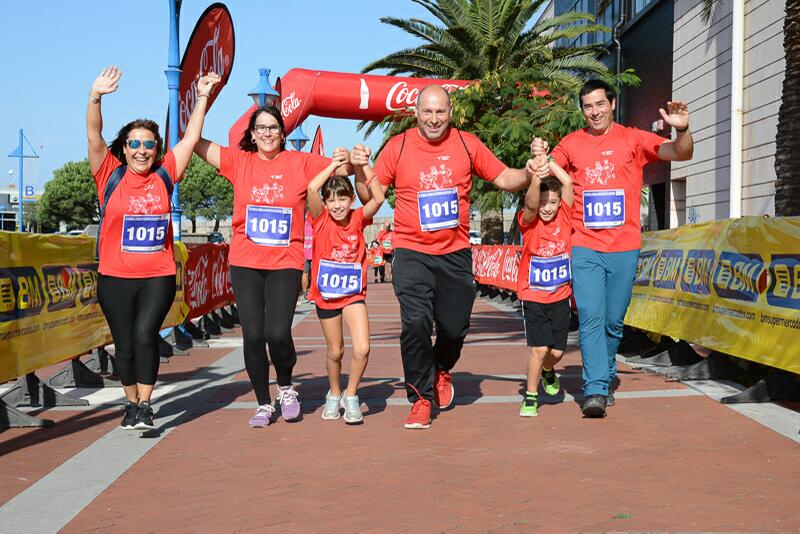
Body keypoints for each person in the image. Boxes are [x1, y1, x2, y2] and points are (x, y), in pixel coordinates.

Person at [353, 85, 533, 429]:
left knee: (454, 327)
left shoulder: (467, 144)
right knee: (416, 323)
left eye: (440, 112)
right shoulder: (399, 145)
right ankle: (420, 397)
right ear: (416, 113)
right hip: (412, 251)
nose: (433, 119)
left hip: (455, 254)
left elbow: (504, 177)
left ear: (450, 113)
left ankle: (441, 368)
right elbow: (369, 194)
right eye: (427, 112)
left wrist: (529, 173)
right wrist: (362, 171)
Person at [532, 79, 693, 418]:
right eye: (588, 106)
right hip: (585, 245)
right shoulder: (572, 143)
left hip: (624, 247)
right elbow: (547, 169)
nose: (594, 112)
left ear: (612, 103)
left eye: (599, 104)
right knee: (591, 316)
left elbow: (681, 153)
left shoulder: (633, 139)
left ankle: (604, 375)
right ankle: (594, 390)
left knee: (613, 322)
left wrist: (682, 131)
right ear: (582, 110)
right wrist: (539, 160)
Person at [194, 106, 355, 428]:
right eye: (260, 128)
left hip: (285, 262)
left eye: (273, 128)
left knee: (278, 333)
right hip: (245, 263)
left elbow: (345, 169)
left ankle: (285, 387)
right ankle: (263, 403)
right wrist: (202, 98)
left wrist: (346, 156)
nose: (267, 133)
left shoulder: (300, 162)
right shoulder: (239, 161)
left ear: (283, 133)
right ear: (251, 134)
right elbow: (194, 142)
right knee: (253, 336)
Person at [86, 66, 220, 430]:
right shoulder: (109, 175)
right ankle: (129, 402)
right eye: (135, 144)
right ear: (125, 149)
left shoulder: (165, 174)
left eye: (149, 144)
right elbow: (94, 134)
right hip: (114, 278)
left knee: (146, 335)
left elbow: (191, 137)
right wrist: (96, 96)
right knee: (124, 343)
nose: (142, 150)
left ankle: (145, 403)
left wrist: (204, 95)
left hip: (157, 277)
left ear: (157, 149)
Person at [306, 149, 385, 424]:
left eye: (342, 198)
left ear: (351, 200)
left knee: (362, 348)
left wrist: (365, 165)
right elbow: (311, 187)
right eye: (332, 199)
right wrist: (335, 165)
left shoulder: (358, 218)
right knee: (335, 351)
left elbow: (379, 197)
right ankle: (334, 393)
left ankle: (351, 395)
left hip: (352, 295)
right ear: (325, 203)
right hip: (326, 297)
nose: (337, 204)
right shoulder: (319, 220)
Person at [517, 155, 574, 417]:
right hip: (534, 296)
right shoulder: (530, 223)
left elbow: (567, 180)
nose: (547, 208)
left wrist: (546, 161)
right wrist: (537, 174)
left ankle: (548, 371)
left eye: (552, 202)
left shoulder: (565, 217)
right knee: (539, 349)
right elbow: (530, 203)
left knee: (557, 353)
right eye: (543, 203)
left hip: (561, 297)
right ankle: (531, 396)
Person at [300, 215, 313, 304]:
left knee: (305, 273)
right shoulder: (317, 224)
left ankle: (305, 295)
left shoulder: (303, 225)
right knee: (315, 273)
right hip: (315, 252)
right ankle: (313, 295)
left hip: (305, 252)